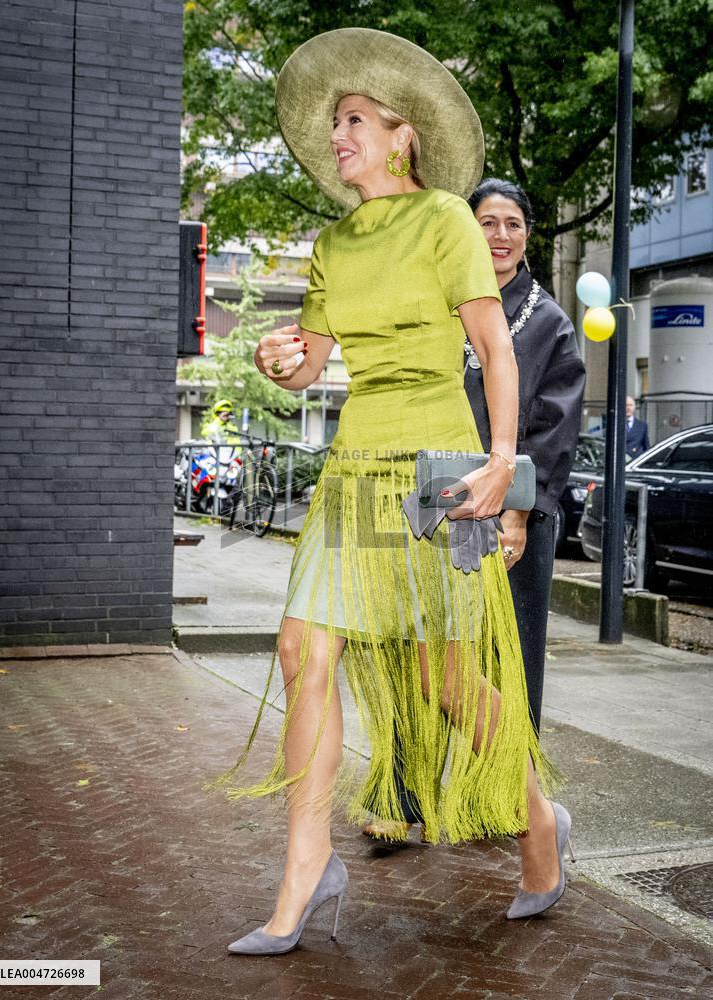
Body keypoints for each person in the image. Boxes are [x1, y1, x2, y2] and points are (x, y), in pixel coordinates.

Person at [214, 28, 571, 957]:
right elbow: (314, 366)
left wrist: (500, 461)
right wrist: (278, 360)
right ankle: (303, 871)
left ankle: (539, 824)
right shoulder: (335, 241)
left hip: (438, 476)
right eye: (336, 124)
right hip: (354, 469)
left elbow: (495, 349)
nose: (338, 138)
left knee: (448, 680)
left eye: (355, 121)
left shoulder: (449, 220)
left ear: (402, 135)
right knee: (303, 651)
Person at [364, 178, 586, 842]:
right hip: (435, 499)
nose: (499, 236)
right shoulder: (441, 298)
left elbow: (554, 426)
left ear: (527, 234)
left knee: (505, 659)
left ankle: (508, 801)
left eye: (512, 223)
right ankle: (402, 798)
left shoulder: (547, 321)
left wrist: (517, 510)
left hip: (513, 508)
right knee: (419, 650)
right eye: (486, 222)